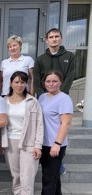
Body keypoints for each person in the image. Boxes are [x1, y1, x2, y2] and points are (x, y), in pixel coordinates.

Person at [1, 71, 43, 195]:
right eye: (16, 82)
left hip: (29, 142)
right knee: (16, 174)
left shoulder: (32, 101)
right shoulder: (4, 101)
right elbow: (1, 123)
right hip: (10, 141)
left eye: (22, 82)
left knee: (27, 175)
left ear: (26, 84)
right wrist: (1, 142)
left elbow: (39, 124)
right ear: (11, 83)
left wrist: (38, 145)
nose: (19, 85)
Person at [32, 71, 73, 195]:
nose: (51, 84)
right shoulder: (42, 97)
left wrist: (57, 143)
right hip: (43, 142)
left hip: (55, 144)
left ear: (60, 82)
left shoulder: (64, 99)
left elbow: (66, 123)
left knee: (49, 176)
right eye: (48, 81)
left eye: (54, 81)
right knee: (53, 174)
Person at [33, 28, 75, 175]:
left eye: (57, 36)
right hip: (45, 99)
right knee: (44, 128)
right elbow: (36, 80)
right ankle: (45, 158)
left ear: (61, 38)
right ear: (47, 40)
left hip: (60, 100)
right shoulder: (40, 59)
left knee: (59, 128)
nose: (54, 39)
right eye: (51, 37)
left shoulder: (70, 56)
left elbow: (70, 76)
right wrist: (44, 95)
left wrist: (58, 94)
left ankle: (59, 162)